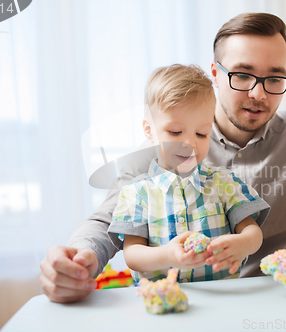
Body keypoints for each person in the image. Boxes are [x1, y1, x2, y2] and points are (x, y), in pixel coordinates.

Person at [40, 13, 286, 303]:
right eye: (243, 74)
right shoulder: (162, 143)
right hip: (183, 300)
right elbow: (106, 224)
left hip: (268, 299)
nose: (258, 93)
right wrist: (77, 259)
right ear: (215, 74)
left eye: (274, 79)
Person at [108, 64, 269, 283]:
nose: (190, 143)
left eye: (201, 134)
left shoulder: (224, 183)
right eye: (175, 132)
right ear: (149, 131)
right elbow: (133, 255)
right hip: (162, 298)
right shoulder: (136, 193)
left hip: (222, 298)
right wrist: (167, 255)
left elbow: (253, 233)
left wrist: (242, 244)